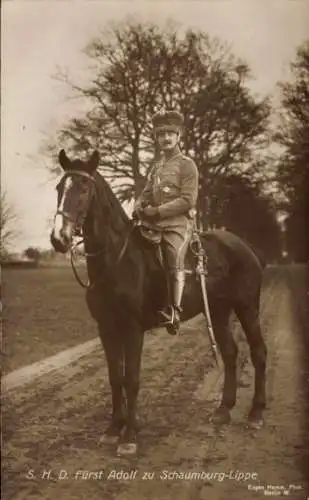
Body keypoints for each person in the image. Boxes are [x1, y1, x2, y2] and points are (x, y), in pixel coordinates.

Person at [133, 109, 199, 332]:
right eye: (161, 134)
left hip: (178, 224)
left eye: (171, 133)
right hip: (153, 224)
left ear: (179, 136)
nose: (166, 138)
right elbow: (146, 192)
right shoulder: (156, 167)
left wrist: (158, 211)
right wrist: (139, 205)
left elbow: (187, 200)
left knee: (172, 256)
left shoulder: (187, 164)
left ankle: (174, 311)